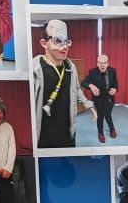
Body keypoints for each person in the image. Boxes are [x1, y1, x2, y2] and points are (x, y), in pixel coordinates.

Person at [32, 19, 96, 148]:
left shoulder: (70, 66)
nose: (65, 46)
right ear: (44, 43)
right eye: (58, 41)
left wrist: (88, 105)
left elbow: (77, 89)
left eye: (66, 41)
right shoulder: (35, 68)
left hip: (67, 127)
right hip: (44, 131)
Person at [81, 54, 118, 144]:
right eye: (100, 63)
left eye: (104, 63)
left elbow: (116, 84)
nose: (102, 65)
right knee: (100, 117)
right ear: (97, 63)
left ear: (108, 63)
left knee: (108, 115)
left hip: (109, 98)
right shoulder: (92, 72)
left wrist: (115, 89)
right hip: (98, 99)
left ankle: (112, 129)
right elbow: (83, 83)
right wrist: (91, 85)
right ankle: (100, 133)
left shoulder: (113, 71)